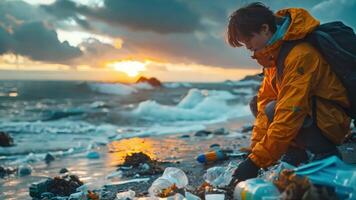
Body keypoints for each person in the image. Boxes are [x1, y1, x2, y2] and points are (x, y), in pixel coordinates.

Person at [226, 2, 352, 184]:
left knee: (279, 109)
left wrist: (255, 162)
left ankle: (325, 152)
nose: (247, 47)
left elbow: (290, 111)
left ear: (265, 29)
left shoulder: (300, 55)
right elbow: (265, 102)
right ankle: (296, 154)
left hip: (330, 120)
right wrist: (254, 153)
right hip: (312, 113)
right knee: (261, 104)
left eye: (248, 40)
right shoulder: (273, 54)